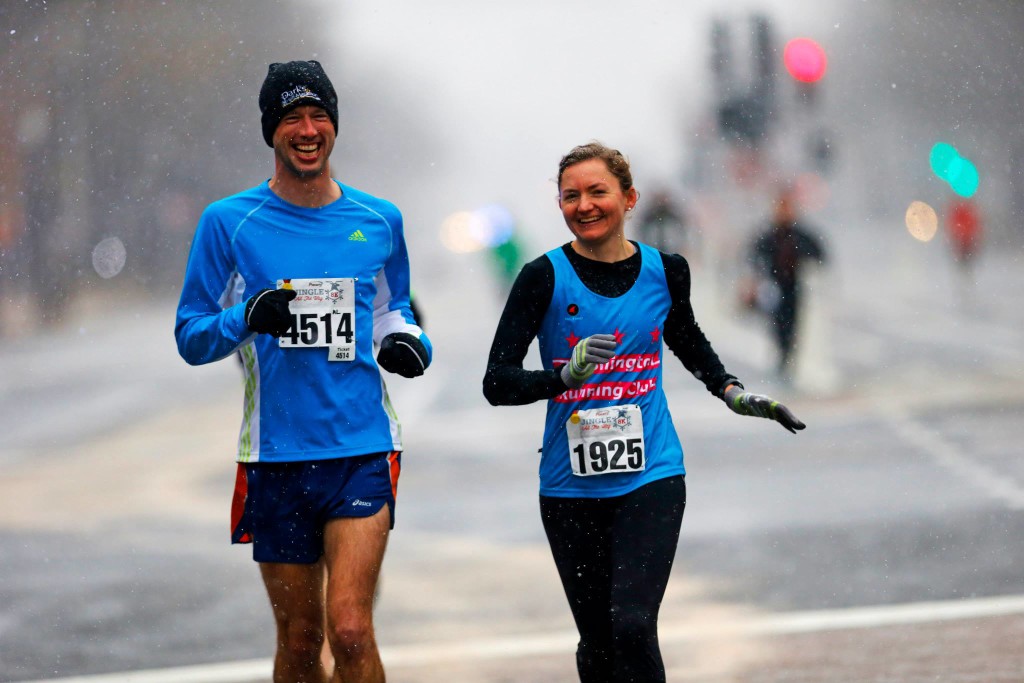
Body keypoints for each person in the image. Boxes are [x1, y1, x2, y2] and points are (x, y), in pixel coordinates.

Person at [482, 142, 804, 683]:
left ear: (628, 198)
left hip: (651, 474)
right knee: (600, 643)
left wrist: (731, 390)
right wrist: (561, 378)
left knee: (632, 625)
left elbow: (686, 338)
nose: (583, 205)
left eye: (597, 192)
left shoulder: (666, 271)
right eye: (571, 196)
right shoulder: (542, 277)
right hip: (569, 488)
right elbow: (497, 381)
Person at [174, 60, 431, 683]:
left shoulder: (379, 220)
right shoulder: (228, 223)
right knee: (299, 640)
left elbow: (392, 311)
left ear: (334, 126)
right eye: (292, 118)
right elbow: (190, 335)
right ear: (272, 131)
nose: (308, 129)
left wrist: (410, 343)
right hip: (275, 454)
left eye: (319, 116)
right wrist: (247, 316)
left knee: (349, 628)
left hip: (362, 444)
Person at [749, 187, 828, 380]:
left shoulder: (799, 234)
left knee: (793, 323)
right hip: (773, 286)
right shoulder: (769, 235)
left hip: (793, 286)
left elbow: (818, 253)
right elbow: (754, 255)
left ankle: (788, 357)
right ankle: (781, 355)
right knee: (777, 323)